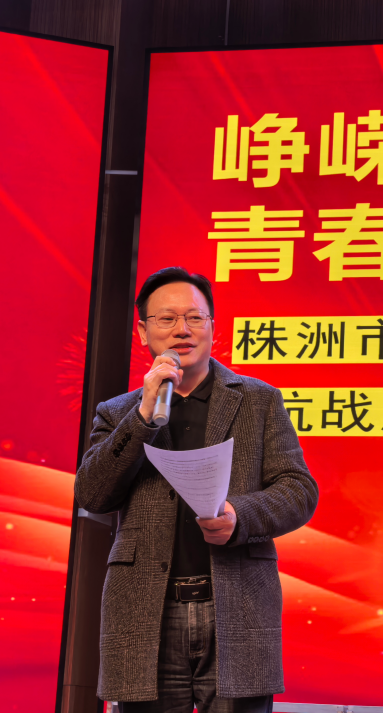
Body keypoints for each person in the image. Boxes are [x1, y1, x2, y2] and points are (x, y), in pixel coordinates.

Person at [74, 267, 318, 712]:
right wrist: (143, 417)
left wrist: (240, 517)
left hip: (236, 606)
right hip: (145, 611)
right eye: (167, 319)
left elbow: (298, 489)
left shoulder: (259, 400)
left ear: (212, 327)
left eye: (194, 318)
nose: (182, 330)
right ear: (143, 331)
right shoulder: (118, 412)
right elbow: (93, 493)